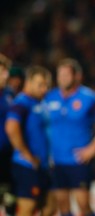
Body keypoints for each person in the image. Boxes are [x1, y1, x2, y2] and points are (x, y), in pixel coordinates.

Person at [45, 58, 95, 216]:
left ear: (76, 76)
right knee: (63, 205)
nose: (62, 79)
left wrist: (93, 148)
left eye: (66, 75)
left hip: (79, 160)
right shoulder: (50, 97)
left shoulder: (89, 98)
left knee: (83, 204)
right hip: (57, 161)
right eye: (60, 75)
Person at [5, 65, 56, 216]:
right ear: (28, 83)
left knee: (50, 206)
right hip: (26, 166)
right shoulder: (22, 102)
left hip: (43, 165)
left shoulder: (39, 103)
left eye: (47, 85)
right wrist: (25, 153)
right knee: (27, 208)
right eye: (40, 84)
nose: (44, 89)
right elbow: (11, 127)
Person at [0, 53, 16, 215]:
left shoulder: (9, 94)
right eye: (2, 71)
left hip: (7, 155)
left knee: (10, 200)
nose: (5, 76)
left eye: (6, 72)